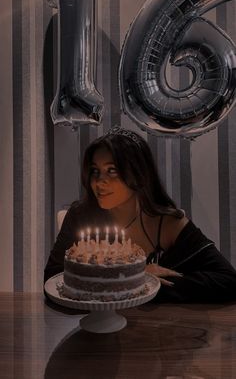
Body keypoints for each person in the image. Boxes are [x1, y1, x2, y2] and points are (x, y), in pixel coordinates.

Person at [44, 126, 236, 303]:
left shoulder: (167, 222)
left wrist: (150, 282)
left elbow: (228, 281)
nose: (99, 182)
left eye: (112, 171)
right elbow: (52, 278)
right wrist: (133, 277)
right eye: (95, 171)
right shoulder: (80, 215)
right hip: (91, 327)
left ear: (138, 173)